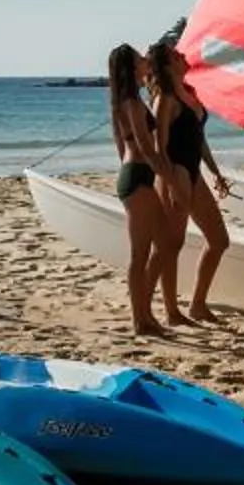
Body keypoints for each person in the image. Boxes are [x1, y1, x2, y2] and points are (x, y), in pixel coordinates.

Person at [145, 41, 231, 323]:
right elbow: (158, 149)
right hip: (174, 174)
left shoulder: (190, 93)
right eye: (176, 55)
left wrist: (215, 172)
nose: (183, 55)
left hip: (194, 173)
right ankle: (164, 311)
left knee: (219, 240)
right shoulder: (165, 100)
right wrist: (171, 183)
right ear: (168, 65)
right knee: (170, 245)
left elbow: (199, 140)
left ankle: (197, 305)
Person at [104, 44, 176, 335]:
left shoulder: (122, 103)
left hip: (135, 176)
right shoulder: (131, 104)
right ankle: (140, 320)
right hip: (137, 178)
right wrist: (169, 177)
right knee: (141, 253)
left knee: (164, 244)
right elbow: (146, 147)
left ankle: (145, 315)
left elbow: (120, 146)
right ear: (131, 67)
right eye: (140, 59)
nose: (146, 61)